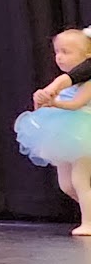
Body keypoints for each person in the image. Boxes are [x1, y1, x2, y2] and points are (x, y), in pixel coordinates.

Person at [15, 29, 91, 235]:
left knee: (80, 179)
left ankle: (88, 222)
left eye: (66, 52)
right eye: (57, 52)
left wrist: (54, 102)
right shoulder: (61, 81)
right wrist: (41, 99)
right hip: (65, 132)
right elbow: (44, 103)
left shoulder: (88, 82)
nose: (59, 57)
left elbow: (76, 104)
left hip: (84, 132)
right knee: (66, 185)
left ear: (87, 56)